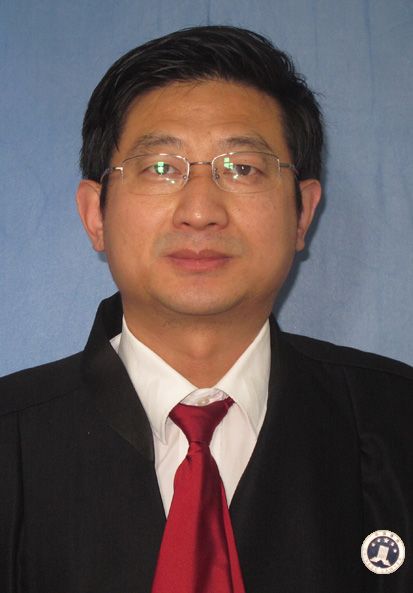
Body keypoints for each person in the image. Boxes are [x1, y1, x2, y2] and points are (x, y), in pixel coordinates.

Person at [1, 25, 412, 593]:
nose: (199, 211)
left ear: (302, 213)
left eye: (242, 168)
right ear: (96, 214)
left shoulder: (398, 426)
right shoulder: (11, 440)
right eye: (161, 168)